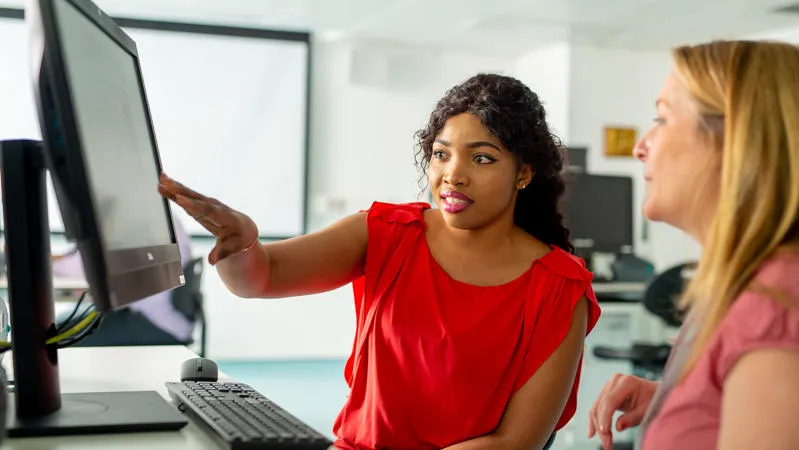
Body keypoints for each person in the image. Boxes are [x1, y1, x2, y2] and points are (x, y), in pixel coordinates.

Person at [159, 73, 602, 450]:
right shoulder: (388, 233)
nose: (454, 174)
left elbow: (516, 443)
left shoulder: (560, 287)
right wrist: (240, 243)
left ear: (523, 173)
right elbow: (262, 276)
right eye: (441, 154)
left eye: (481, 158)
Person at [586, 40, 799, 450]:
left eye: (661, 119)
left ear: (736, 142)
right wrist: (673, 401)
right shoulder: (744, 288)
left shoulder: (774, 305)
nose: (639, 147)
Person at [52, 216, 195, 345]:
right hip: (170, 320)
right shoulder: (161, 215)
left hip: (153, 323)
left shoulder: (133, 220)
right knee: (63, 326)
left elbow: (82, 267)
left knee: (57, 339)